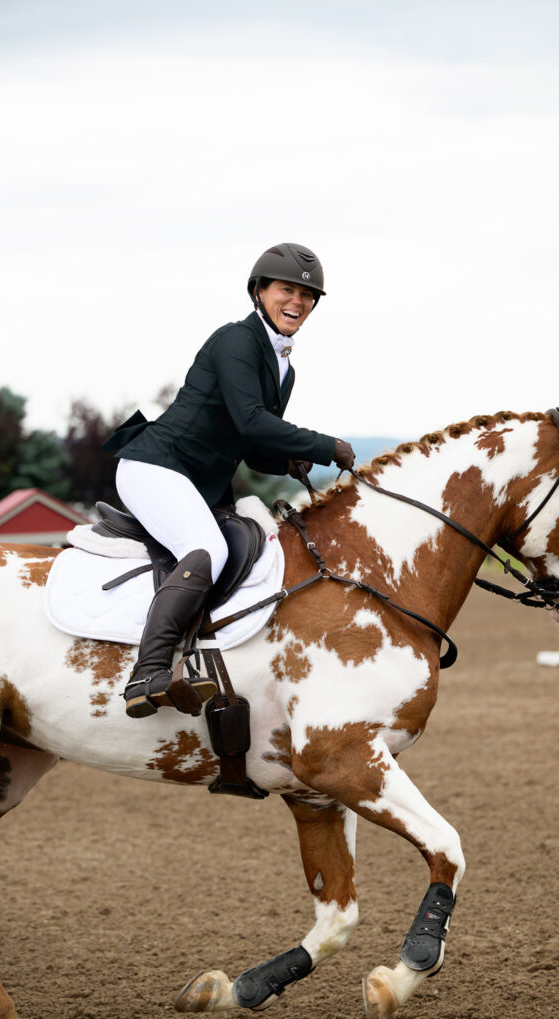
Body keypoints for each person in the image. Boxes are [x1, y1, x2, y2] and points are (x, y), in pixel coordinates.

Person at [103, 242, 355, 718]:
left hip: (201, 484)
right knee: (209, 549)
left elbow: (253, 447)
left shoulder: (284, 367)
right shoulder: (236, 340)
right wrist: (326, 446)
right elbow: (252, 421)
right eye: (286, 290)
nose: (297, 302)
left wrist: (287, 463)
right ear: (259, 291)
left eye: (307, 295)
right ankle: (147, 672)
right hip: (156, 466)